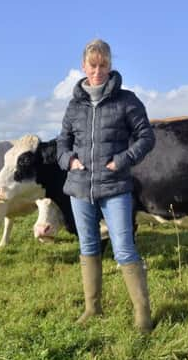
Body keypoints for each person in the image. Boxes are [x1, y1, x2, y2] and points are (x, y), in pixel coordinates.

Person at [57, 39, 156, 333]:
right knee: (88, 246)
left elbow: (146, 137)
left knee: (124, 248)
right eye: (92, 65)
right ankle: (92, 308)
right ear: (83, 66)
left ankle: (142, 314)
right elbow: (63, 141)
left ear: (110, 66)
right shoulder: (74, 106)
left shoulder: (127, 100)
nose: (97, 71)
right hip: (79, 188)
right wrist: (68, 160)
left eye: (103, 65)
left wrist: (124, 159)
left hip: (115, 187)